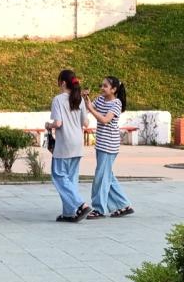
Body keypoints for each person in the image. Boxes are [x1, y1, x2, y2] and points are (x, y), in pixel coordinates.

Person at [83, 76, 134, 218]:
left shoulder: (116, 103)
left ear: (114, 89)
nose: (102, 88)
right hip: (101, 144)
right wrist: (84, 98)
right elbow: (88, 109)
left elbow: (105, 120)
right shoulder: (100, 99)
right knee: (108, 176)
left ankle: (99, 209)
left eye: (105, 86)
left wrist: (91, 109)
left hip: (109, 146)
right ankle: (124, 205)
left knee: (101, 177)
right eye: (102, 85)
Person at [47, 69, 91, 222]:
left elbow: (58, 123)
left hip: (64, 143)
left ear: (63, 83)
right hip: (78, 143)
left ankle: (81, 205)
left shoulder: (58, 99)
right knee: (71, 179)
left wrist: (48, 125)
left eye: (59, 81)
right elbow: (85, 123)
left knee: (59, 176)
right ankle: (69, 213)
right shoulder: (79, 99)